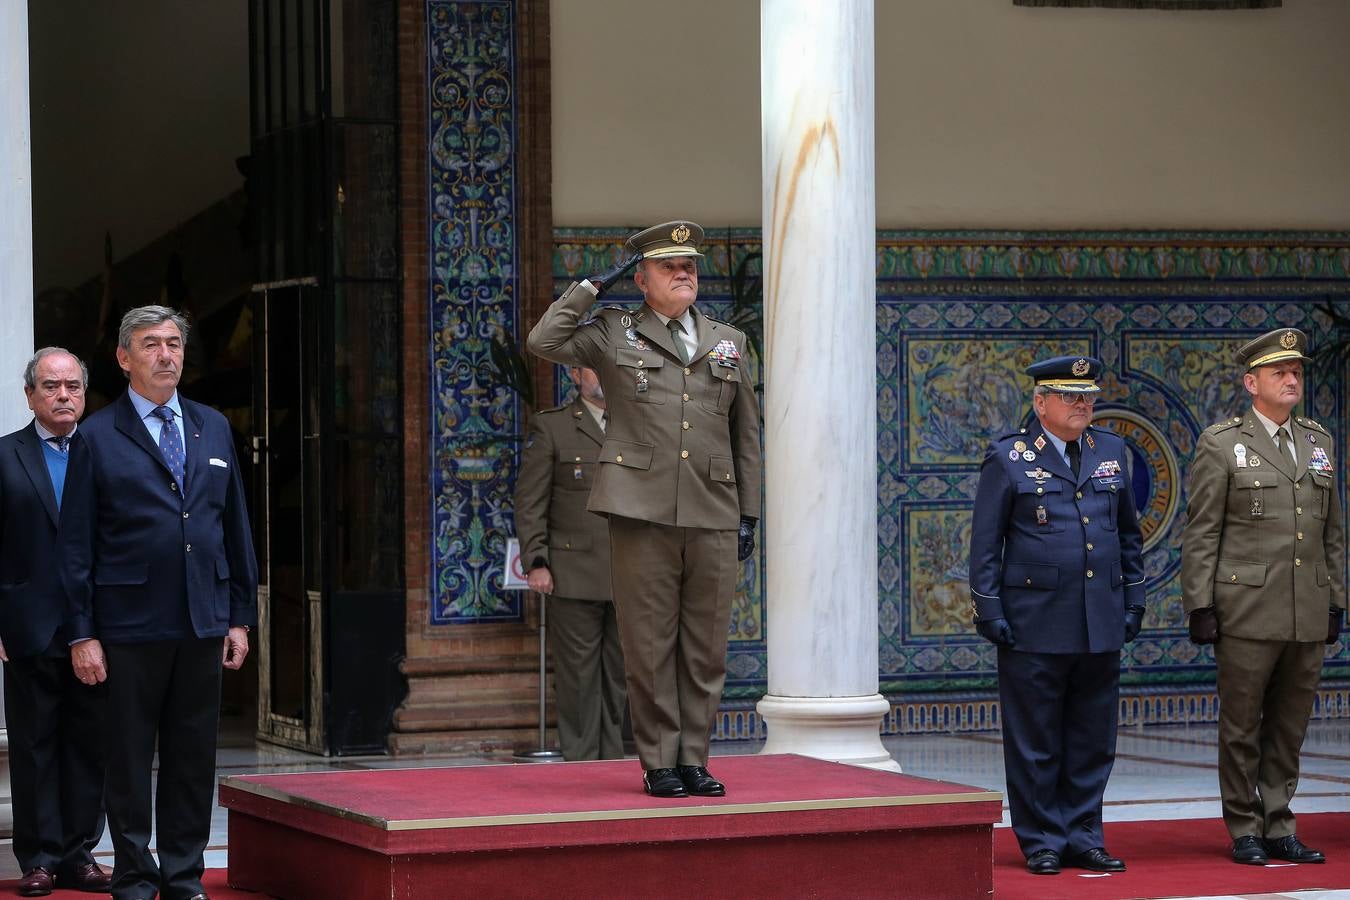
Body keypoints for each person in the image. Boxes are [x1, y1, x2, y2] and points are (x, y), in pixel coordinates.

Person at [527, 221, 760, 798]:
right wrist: (589, 289)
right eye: (668, 265)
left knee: (705, 647)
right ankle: (658, 760)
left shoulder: (728, 341)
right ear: (641, 278)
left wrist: (749, 513)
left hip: (713, 509)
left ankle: (694, 760)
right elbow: (544, 341)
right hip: (640, 510)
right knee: (650, 643)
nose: (684, 272)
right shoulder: (612, 332)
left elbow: (746, 433)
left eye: (690, 265)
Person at [63, 306, 259, 900]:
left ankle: (182, 874)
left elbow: (235, 530)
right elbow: (75, 547)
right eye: (151, 345)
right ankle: (133, 876)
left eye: (173, 343)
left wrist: (240, 617)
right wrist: (81, 632)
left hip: (203, 620)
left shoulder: (213, 426)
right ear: (124, 358)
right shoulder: (96, 435)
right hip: (126, 626)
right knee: (126, 758)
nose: (166, 354)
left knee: (192, 756)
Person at [968, 355, 1145, 876]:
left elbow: (1128, 536)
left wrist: (1133, 600)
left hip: (1099, 620)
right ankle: (1042, 838)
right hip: (1034, 621)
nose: (1082, 404)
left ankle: (1084, 835)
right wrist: (989, 610)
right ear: (1040, 402)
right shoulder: (1008, 458)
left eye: (1088, 396)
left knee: (1093, 739)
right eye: (1070, 396)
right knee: (1036, 740)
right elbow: (985, 546)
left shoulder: (1111, 451)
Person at [1181, 327, 1344, 866]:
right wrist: (1199, 605)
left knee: (1290, 725)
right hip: (1246, 610)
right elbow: (1203, 530)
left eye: (1296, 372)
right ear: (1252, 383)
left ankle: (1279, 821)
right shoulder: (1222, 443)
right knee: (1242, 725)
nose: (1292, 379)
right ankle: (1244, 826)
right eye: (1280, 372)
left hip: (1306, 608)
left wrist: (1336, 599)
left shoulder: (1319, 442)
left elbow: (1332, 532)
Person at [0, 348, 110, 896]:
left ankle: (80, 853)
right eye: (50, 386)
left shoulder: (105, 452)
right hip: (28, 624)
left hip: (99, 626)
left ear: (84, 395)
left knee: (89, 743)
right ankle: (39, 858)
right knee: (34, 744)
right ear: (30, 395)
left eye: (71, 386)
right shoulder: (4, 456)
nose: (62, 395)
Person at [513, 366, 627, 761]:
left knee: (618, 676)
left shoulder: (636, 424)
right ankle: (581, 761)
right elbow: (530, 502)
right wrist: (536, 561)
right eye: (596, 365)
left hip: (629, 575)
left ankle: (610, 761)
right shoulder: (554, 428)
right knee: (579, 678)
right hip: (574, 573)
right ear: (576, 374)